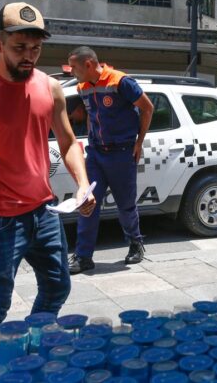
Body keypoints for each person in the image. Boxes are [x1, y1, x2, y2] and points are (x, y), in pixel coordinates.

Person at [0, 2, 96, 355]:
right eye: (20, 48)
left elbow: (70, 141)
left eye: (36, 48)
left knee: (58, 287)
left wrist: (82, 184)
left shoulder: (50, 86)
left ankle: (29, 348)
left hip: (44, 212)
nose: (29, 56)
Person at [66, 46, 154, 274]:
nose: (72, 72)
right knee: (87, 203)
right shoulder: (82, 87)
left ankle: (135, 243)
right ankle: (83, 256)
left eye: (74, 67)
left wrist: (138, 142)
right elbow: (91, 116)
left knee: (126, 205)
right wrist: (89, 142)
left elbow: (147, 108)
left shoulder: (120, 81)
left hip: (121, 153)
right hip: (96, 153)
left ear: (87, 64)